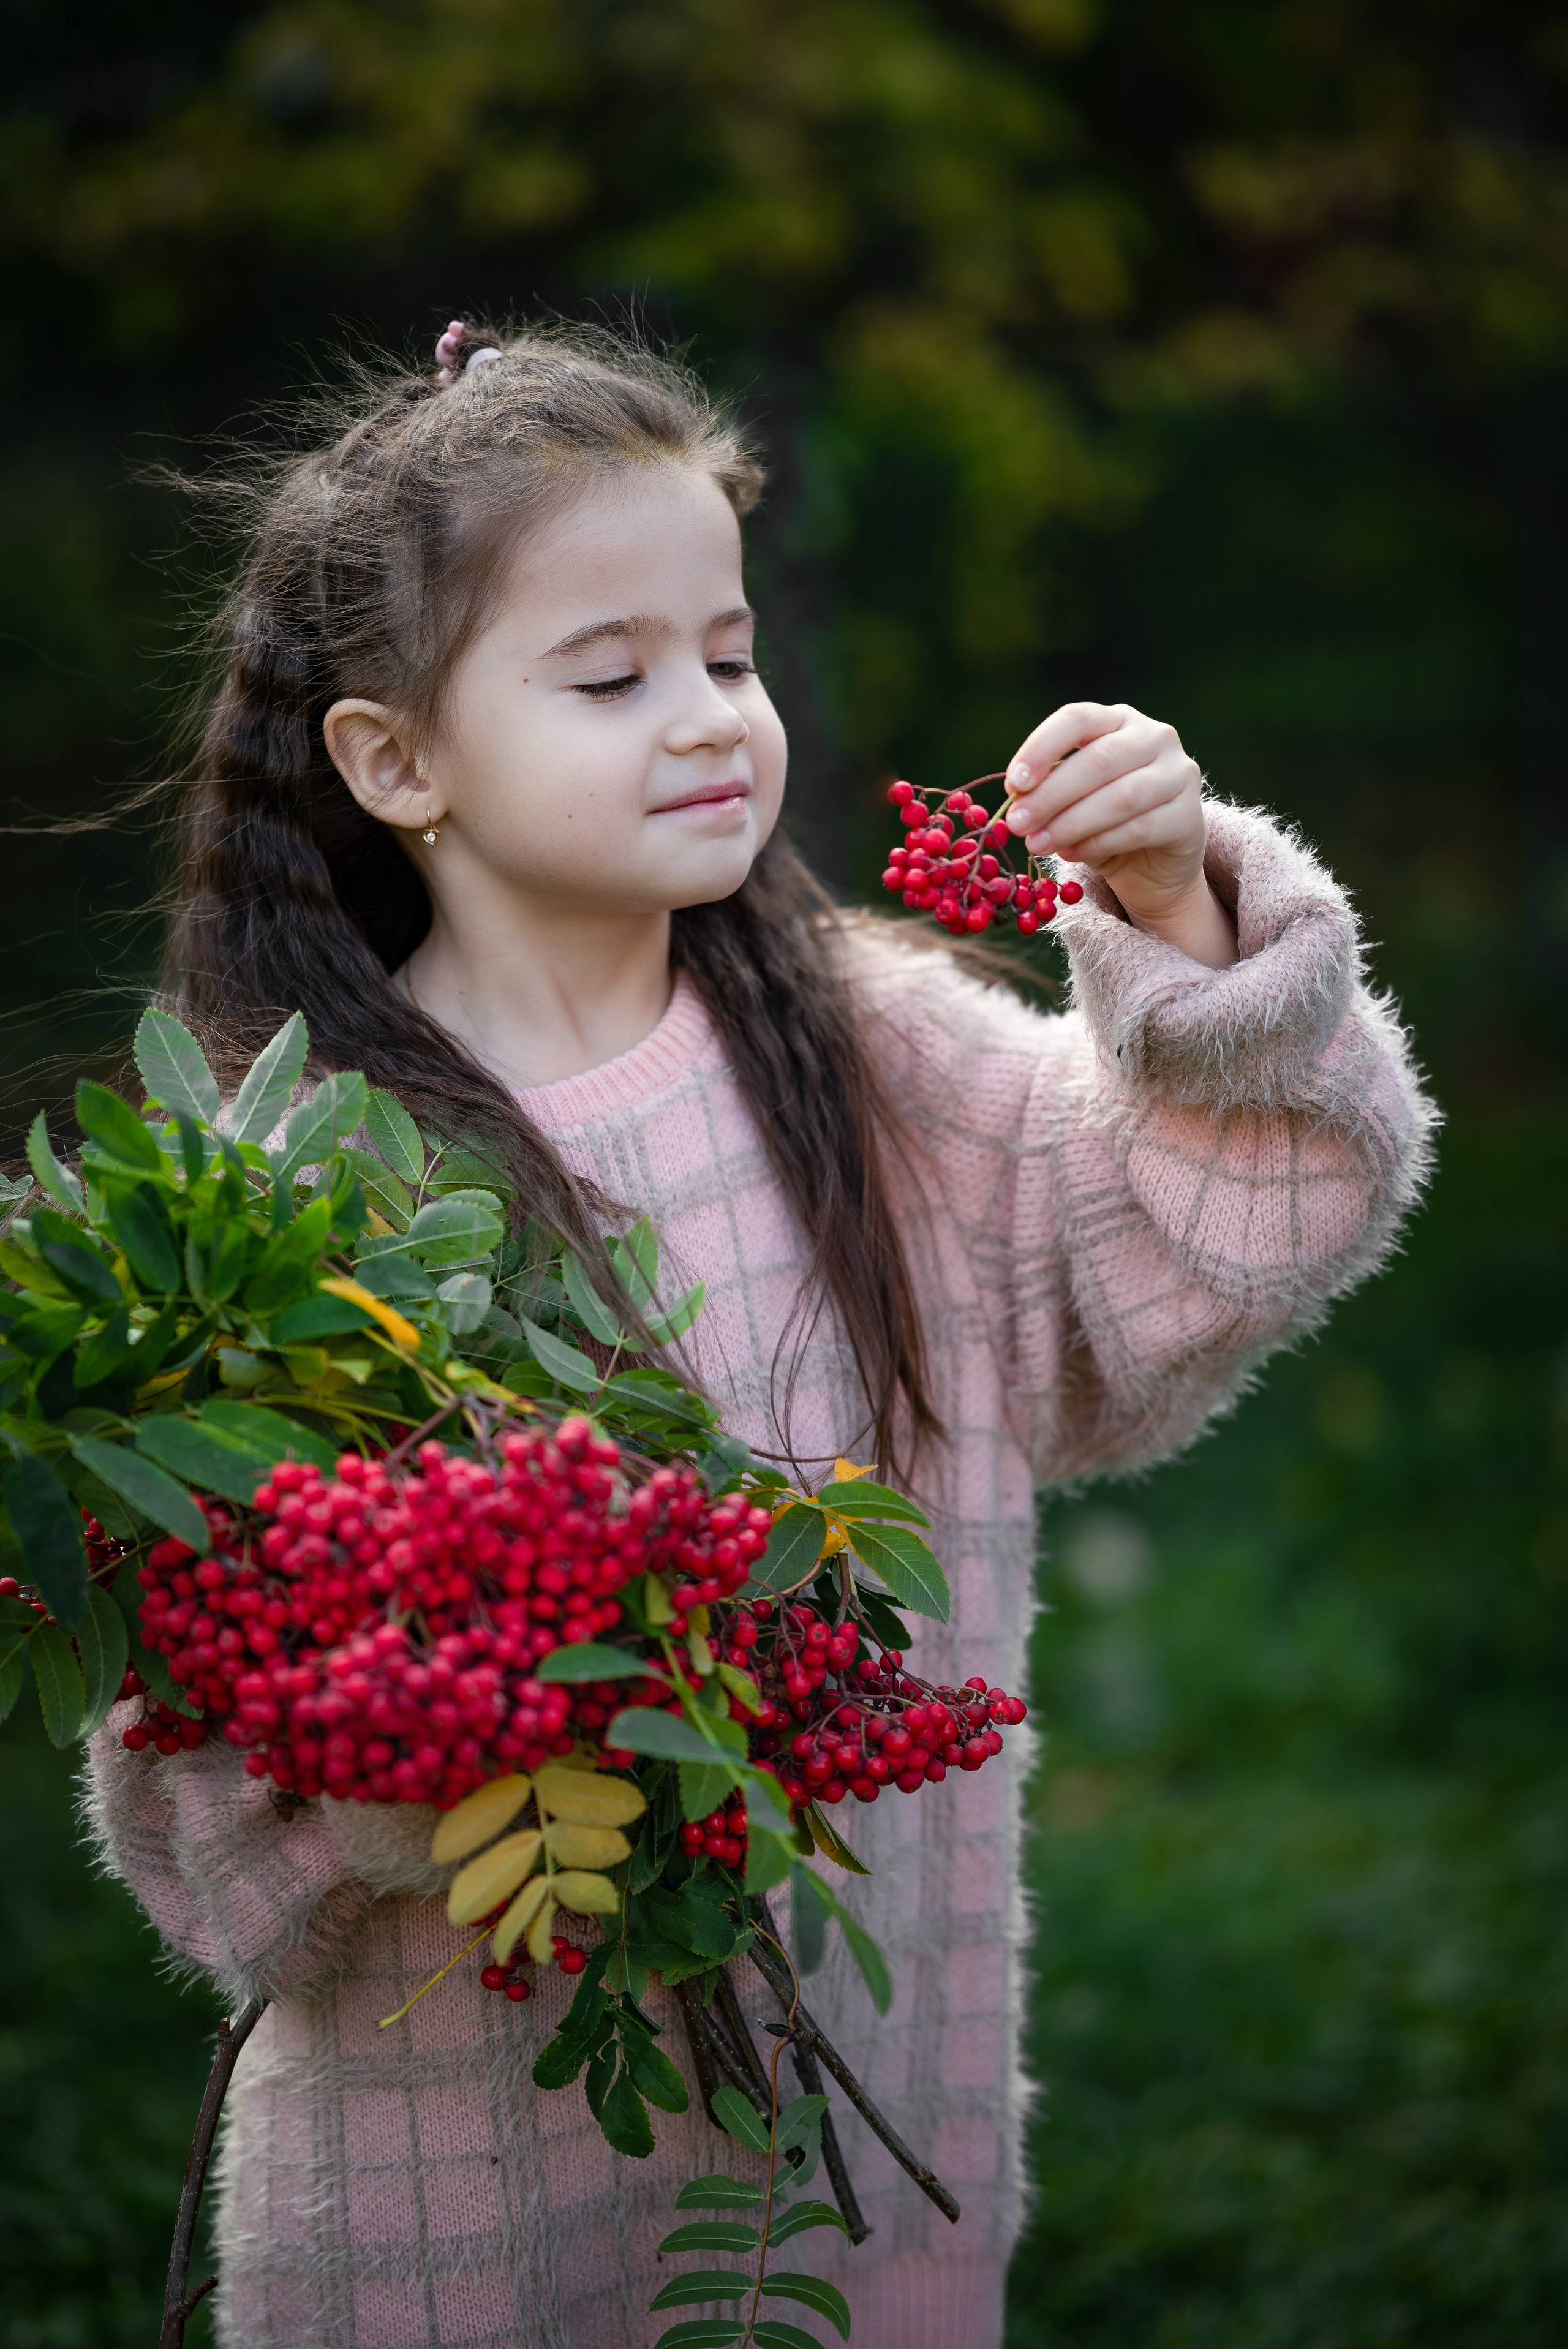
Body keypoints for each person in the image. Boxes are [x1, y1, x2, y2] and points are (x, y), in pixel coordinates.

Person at [85, 319, 1434, 2349]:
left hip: (849, 2154)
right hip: (441, 2213)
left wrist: (1178, 909)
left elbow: (1252, 1220)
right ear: (396, 762)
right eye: (611, 673)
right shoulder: (278, 1194)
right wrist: (481, 1716)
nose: (711, 715)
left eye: (727, 650)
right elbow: (200, 1831)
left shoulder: (869, 1057)